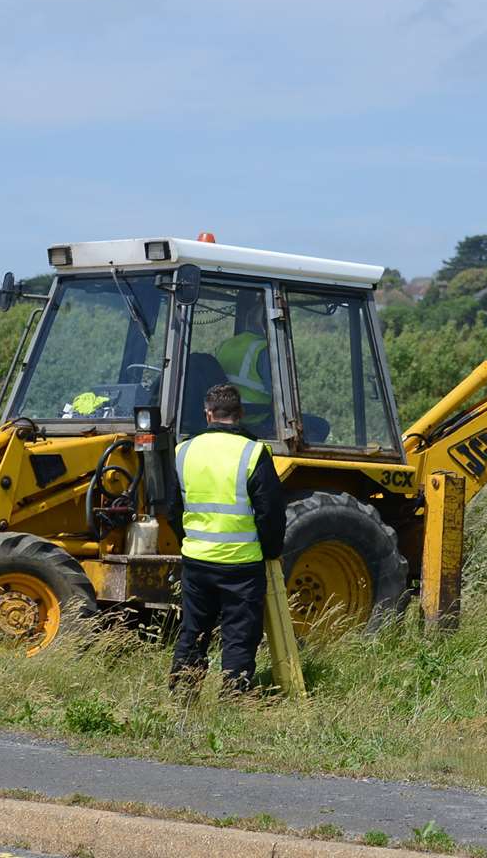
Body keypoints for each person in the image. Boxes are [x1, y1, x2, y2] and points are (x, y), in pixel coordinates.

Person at [166, 383, 286, 695]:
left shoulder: (183, 451)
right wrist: (270, 551)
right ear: (240, 413)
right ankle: (233, 697)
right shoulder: (254, 452)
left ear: (208, 414)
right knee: (239, 635)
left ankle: (182, 697)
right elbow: (270, 512)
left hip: (196, 560)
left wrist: (189, 539)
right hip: (241, 564)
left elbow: (171, 508)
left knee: (193, 632)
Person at [212, 297, 274, 434]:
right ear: (266, 323)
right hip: (255, 419)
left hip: (226, 415)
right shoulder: (263, 350)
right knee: (319, 425)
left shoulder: (225, 345)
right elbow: (278, 394)